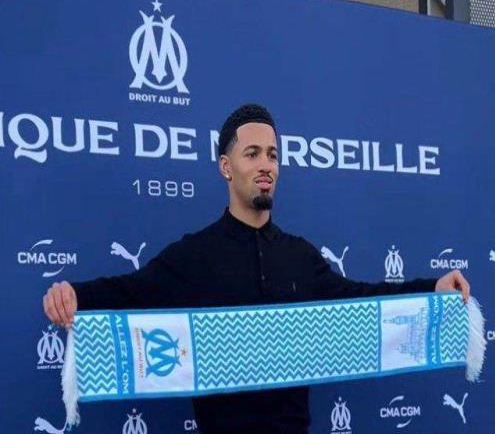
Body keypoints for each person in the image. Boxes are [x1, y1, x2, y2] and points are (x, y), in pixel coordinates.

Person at [43, 104, 470, 434]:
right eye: (252, 153)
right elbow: (130, 291)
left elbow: (363, 300)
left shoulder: (300, 256)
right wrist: (72, 295)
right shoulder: (194, 255)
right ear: (226, 167)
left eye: (272, 154)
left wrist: (432, 288)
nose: (266, 165)